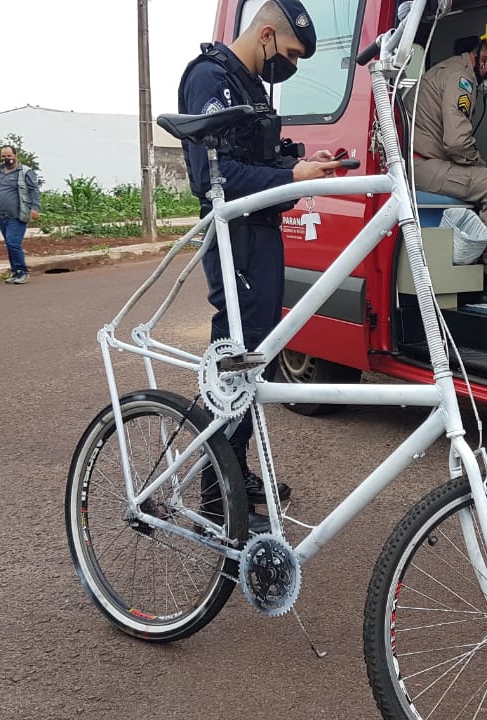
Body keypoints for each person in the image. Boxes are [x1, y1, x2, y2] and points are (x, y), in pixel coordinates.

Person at [179, 0, 341, 533]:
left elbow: (257, 163)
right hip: (235, 238)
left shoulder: (251, 88)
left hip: (261, 233)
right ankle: (215, 491)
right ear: (267, 34)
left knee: (255, 359)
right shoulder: (209, 78)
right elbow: (212, 178)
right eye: (290, 54)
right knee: (235, 360)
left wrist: (302, 168)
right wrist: (292, 174)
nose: (289, 66)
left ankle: (232, 465)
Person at [412, 20, 487, 302]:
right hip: (425, 166)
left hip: (422, 163)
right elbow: (456, 143)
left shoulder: (451, 70)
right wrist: (480, 166)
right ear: (486, 59)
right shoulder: (461, 79)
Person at [0, 145, 41, 285]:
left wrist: (35, 208)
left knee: (13, 242)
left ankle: (22, 272)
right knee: (10, 244)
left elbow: (34, 191)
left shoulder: (25, 172)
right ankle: (15, 272)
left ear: (15, 156)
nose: (6, 159)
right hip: (1, 216)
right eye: (3, 157)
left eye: (9, 156)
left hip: (17, 216)